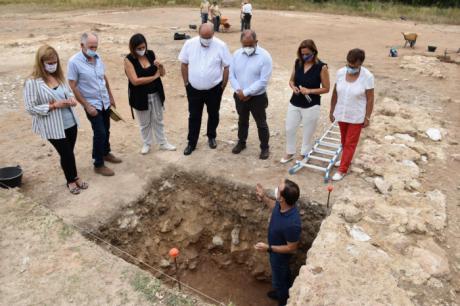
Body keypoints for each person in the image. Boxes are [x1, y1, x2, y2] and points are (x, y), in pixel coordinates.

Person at [23, 45, 88, 195]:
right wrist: (53, 106)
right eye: (50, 63)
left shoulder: (58, 76)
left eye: (55, 62)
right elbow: (30, 108)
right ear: (41, 62)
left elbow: (68, 92)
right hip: (53, 125)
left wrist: (71, 99)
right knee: (66, 153)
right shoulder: (32, 82)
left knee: (69, 152)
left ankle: (73, 176)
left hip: (70, 122)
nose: (53, 65)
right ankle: (71, 180)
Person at [68, 32, 122, 177]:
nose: (93, 49)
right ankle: (98, 163)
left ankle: (105, 152)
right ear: (82, 45)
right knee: (100, 132)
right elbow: (73, 86)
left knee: (107, 129)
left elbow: (103, 77)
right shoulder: (74, 62)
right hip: (92, 104)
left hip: (104, 101)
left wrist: (110, 96)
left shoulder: (98, 58)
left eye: (95, 47)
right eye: (91, 46)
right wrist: (86, 105)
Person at [178, 23, 231, 156]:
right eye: (203, 37)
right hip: (193, 89)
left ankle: (211, 136)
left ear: (213, 34)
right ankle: (191, 142)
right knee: (194, 116)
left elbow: (226, 66)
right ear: (198, 34)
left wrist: (223, 86)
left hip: (214, 89)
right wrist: (186, 83)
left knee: (213, 114)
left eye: (209, 37)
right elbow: (184, 64)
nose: (206, 39)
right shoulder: (189, 44)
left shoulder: (221, 46)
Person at [124, 33, 176, 155]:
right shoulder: (129, 60)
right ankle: (147, 143)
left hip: (156, 93)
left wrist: (161, 66)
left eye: (143, 47)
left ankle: (162, 142)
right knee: (144, 122)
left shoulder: (151, 54)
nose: (142, 50)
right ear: (133, 48)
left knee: (158, 119)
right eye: (139, 48)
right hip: (140, 96)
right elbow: (135, 81)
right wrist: (154, 77)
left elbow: (162, 74)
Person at [281, 39, 330, 164]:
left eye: (307, 54)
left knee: (308, 131)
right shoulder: (298, 62)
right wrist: (293, 87)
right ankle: (290, 152)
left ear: (314, 52)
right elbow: (291, 80)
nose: (304, 56)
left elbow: (326, 88)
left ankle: (304, 154)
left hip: (311, 104)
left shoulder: (322, 67)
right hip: (295, 101)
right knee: (290, 128)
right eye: (302, 54)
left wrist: (309, 91)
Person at [329, 48, 374, 181]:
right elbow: (335, 92)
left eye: (353, 65)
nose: (350, 67)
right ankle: (345, 160)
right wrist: (332, 110)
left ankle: (343, 169)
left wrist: (367, 117)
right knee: (343, 140)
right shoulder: (341, 73)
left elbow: (370, 98)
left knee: (350, 143)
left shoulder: (367, 76)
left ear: (360, 64)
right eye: (348, 64)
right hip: (342, 112)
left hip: (356, 116)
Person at [255, 179, 301, 306]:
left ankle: (283, 300)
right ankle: (283, 292)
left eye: (278, 190)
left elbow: (292, 247)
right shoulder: (282, 206)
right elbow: (273, 205)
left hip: (280, 256)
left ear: (283, 199)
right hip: (274, 252)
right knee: (283, 275)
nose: (276, 190)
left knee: (280, 278)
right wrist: (263, 196)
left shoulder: (292, 224)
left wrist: (268, 248)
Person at [229, 30, 272, 160]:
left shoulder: (265, 56)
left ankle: (265, 148)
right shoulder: (236, 54)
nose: (247, 47)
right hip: (239, 96)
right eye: (245, 45)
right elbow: (231, 75)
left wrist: (246, 92)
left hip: (257, 97)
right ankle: (241, 143)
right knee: (242, 121)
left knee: (261, 123)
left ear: (256, 42)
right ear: (241, 43)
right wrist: (239, 91)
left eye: (250, 44)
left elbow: (264, 80)